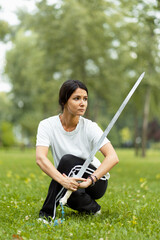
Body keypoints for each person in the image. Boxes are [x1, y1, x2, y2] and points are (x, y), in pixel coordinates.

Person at [36, 79, 119, 221]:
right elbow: (40, 158)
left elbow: (112, 157)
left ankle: (47, 215)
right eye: (77, 98)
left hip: (96, 181)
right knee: (66, 192)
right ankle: (92, 209)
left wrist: (90, 180)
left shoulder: (90, 127)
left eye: (85, 99)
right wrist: (63, 181)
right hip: (68, 176)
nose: (83, 103)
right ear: (64, 101)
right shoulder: (46, 125)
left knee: (68, 160)